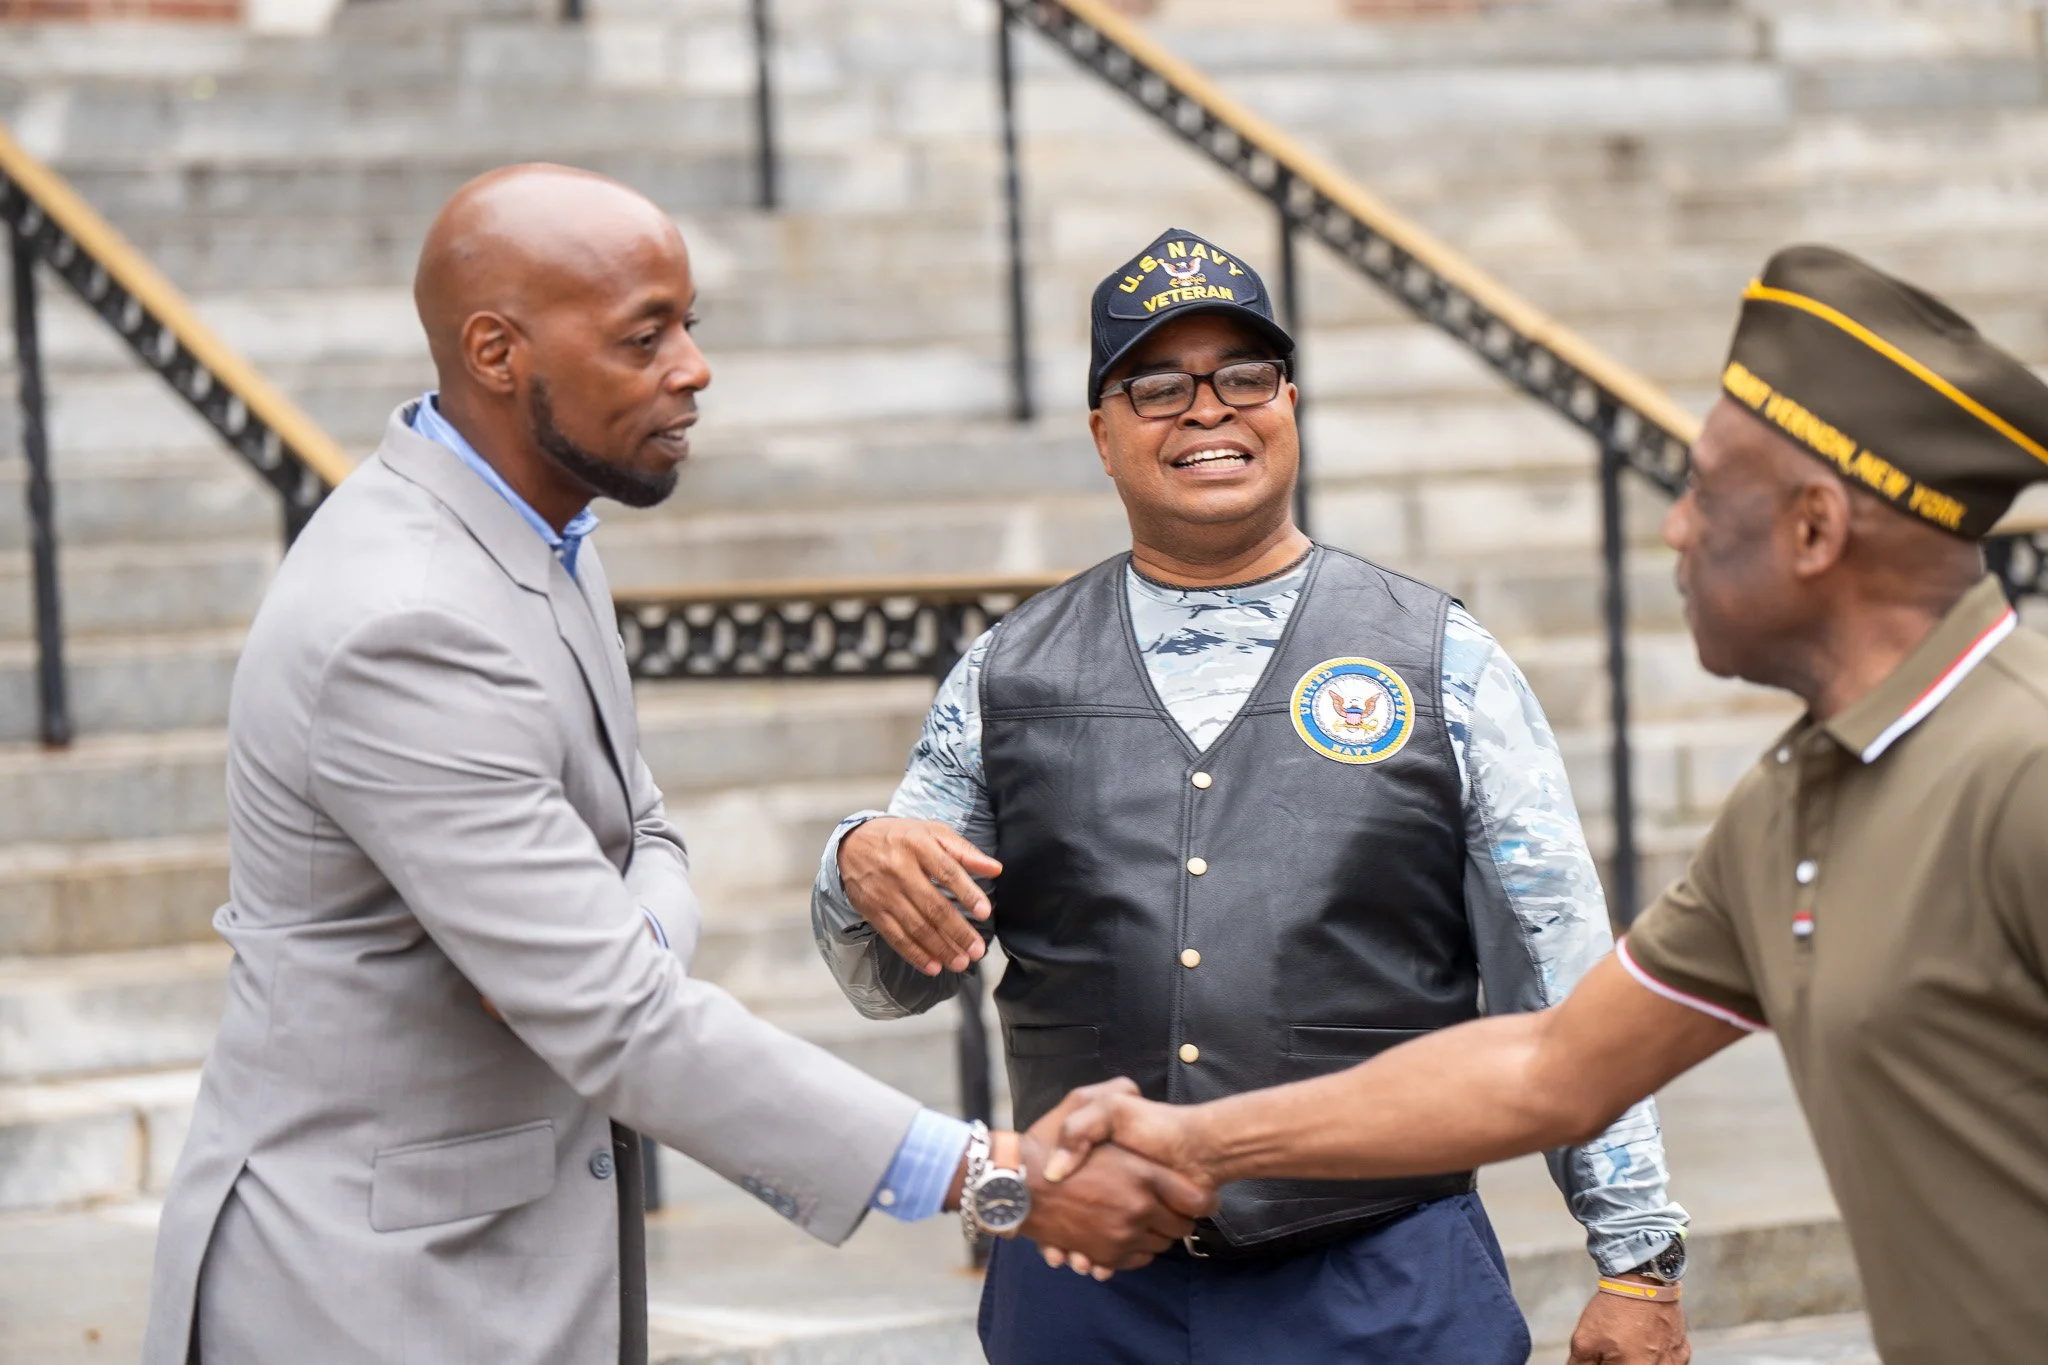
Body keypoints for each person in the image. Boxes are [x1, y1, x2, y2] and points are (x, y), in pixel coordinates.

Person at [139, 166, 1210, 1365]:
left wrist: (596, 951)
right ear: (496, 351)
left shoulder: (541, 533)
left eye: (691, 323)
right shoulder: (406, 620)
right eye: (644, 336)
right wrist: (985, 1174)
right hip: (364, 1292)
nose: (693, 367)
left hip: (497, 1261)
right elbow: (619, 1021)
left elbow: (648, 841)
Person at [1044, 244, 2048, 1365]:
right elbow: (1548, 1068)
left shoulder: (2019, 774)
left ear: (1812, 530)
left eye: (1705, 490)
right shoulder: (1786, 809)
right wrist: (1195, 1139)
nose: (1671, 527)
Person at [811, 228, 1693, 1364]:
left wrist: (1636, 1256)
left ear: (1288, 401)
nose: (1208, 411)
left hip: (1383, 1283)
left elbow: (1559, 963)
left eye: (1243, 376)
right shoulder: (1007, 675)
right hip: (1087, 1293)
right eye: (1158, 386)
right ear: (1101, 431)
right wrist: (854, 860)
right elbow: (890, 977)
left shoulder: (1440, 659)